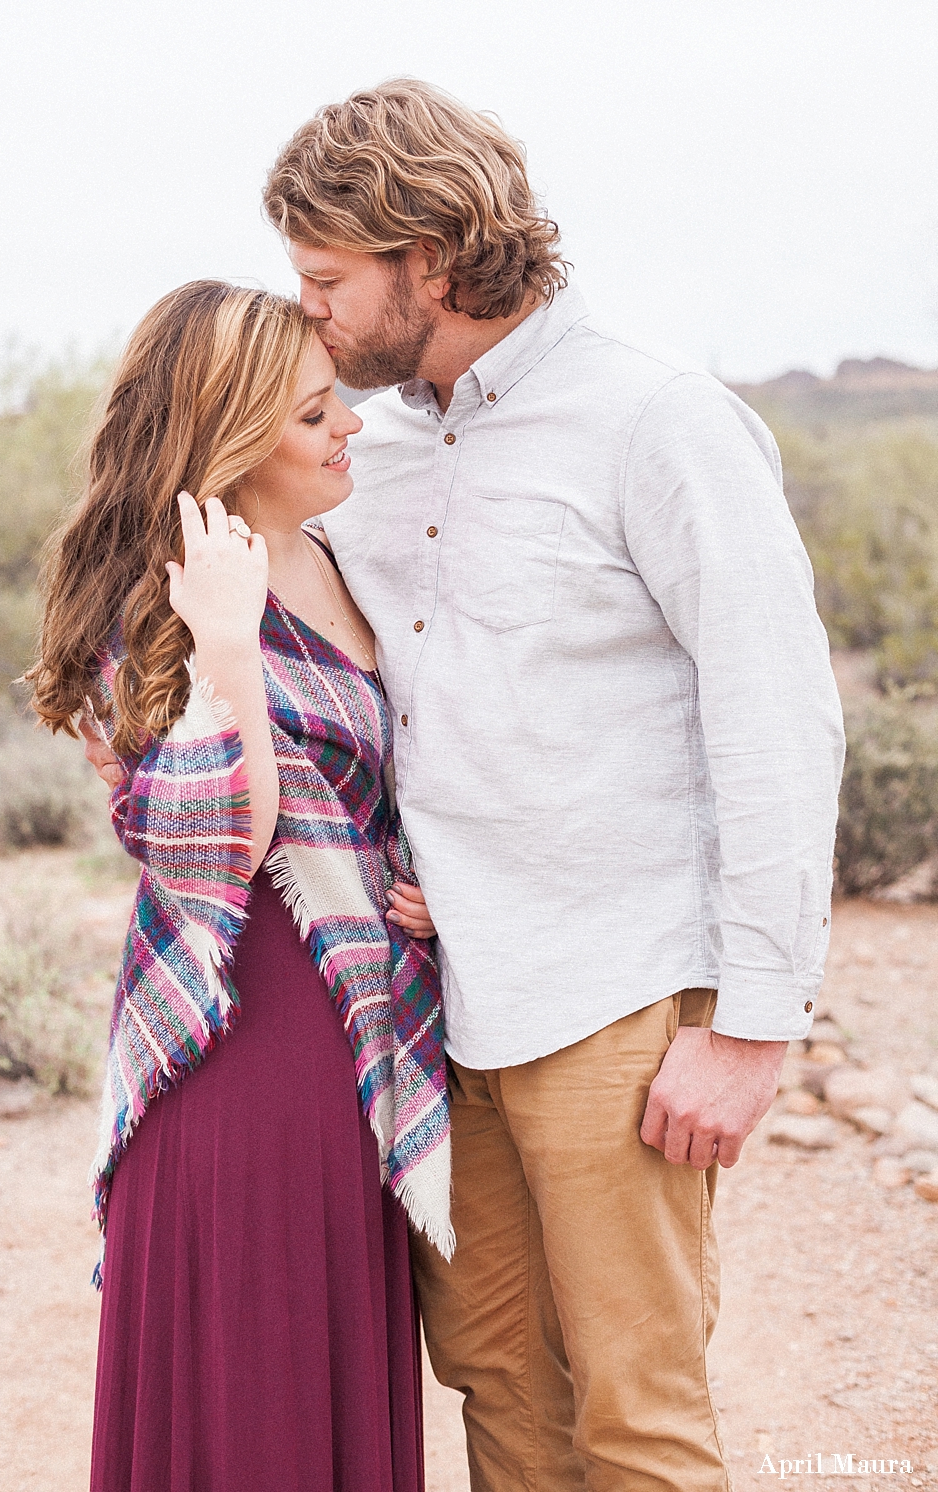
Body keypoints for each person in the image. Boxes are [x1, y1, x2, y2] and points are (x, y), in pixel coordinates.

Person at [258, 80, 847, 1492]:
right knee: (499, 1390)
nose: (309, 315)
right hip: (444, 1004)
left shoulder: (658, 425)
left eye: (327, 280)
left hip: (621, 1002)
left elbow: (775, 721)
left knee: (634, 1415)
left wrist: (753, 1024)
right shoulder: (371, 455)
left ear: (432, 259)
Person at [30, 279, 453, 1492]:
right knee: (252, 1393)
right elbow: (213, 848)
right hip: (237, 1040)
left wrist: (429, 883)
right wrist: (225, 638)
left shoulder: (338, 556)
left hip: (355, 1036)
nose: (351, 430)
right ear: (231, 431)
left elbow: (395, 778)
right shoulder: (154, 605)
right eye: (317, 416)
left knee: (327, 1377)